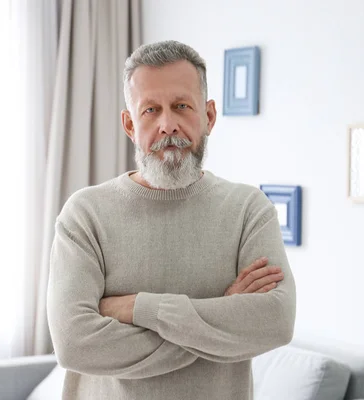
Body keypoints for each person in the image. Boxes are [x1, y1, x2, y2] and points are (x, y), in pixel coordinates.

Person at [47, 40, 296, 400]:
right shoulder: (85, 214)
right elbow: (75, 345)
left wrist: (137, 308)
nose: (168, 125)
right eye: (151, 110)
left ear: (208, 116)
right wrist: (217, 322)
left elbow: (275, 322)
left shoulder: (249, 209)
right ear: (130, 123)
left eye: (182, 106)